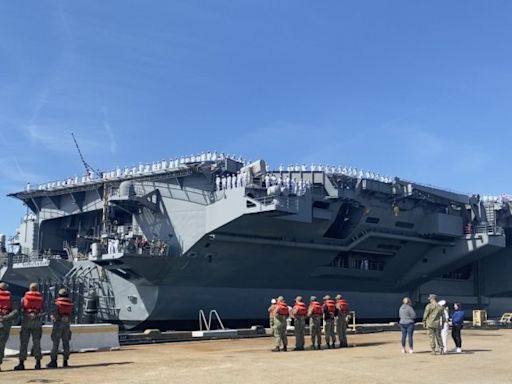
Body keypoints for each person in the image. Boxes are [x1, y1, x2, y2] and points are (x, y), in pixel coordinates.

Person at [15, 282, 44, 370]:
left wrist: (28, 314)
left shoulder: (24, 299)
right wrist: (36, 315)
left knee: (24, 343)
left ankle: (21, 363)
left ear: (29, 289)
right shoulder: (41, 299)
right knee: (37, 342)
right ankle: (38, 363)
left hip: (26, 322)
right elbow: (43, 311)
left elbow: (20, 310)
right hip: (37, 323)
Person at [47, 288, 74, 368]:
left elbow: (54, 314)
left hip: (58, 325)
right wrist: (67, 318)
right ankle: (65, 361)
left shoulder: (57, 303)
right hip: (66, 325)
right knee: (66, 343)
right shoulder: (70, 304)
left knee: (55, 343)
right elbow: (73, 314)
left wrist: (58, 318)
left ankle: (53, 361)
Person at [0, 282, 18, 372]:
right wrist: (6, 317)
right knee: (1, 344)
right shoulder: (11, 298)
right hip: (5, 322)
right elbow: (15, 311)